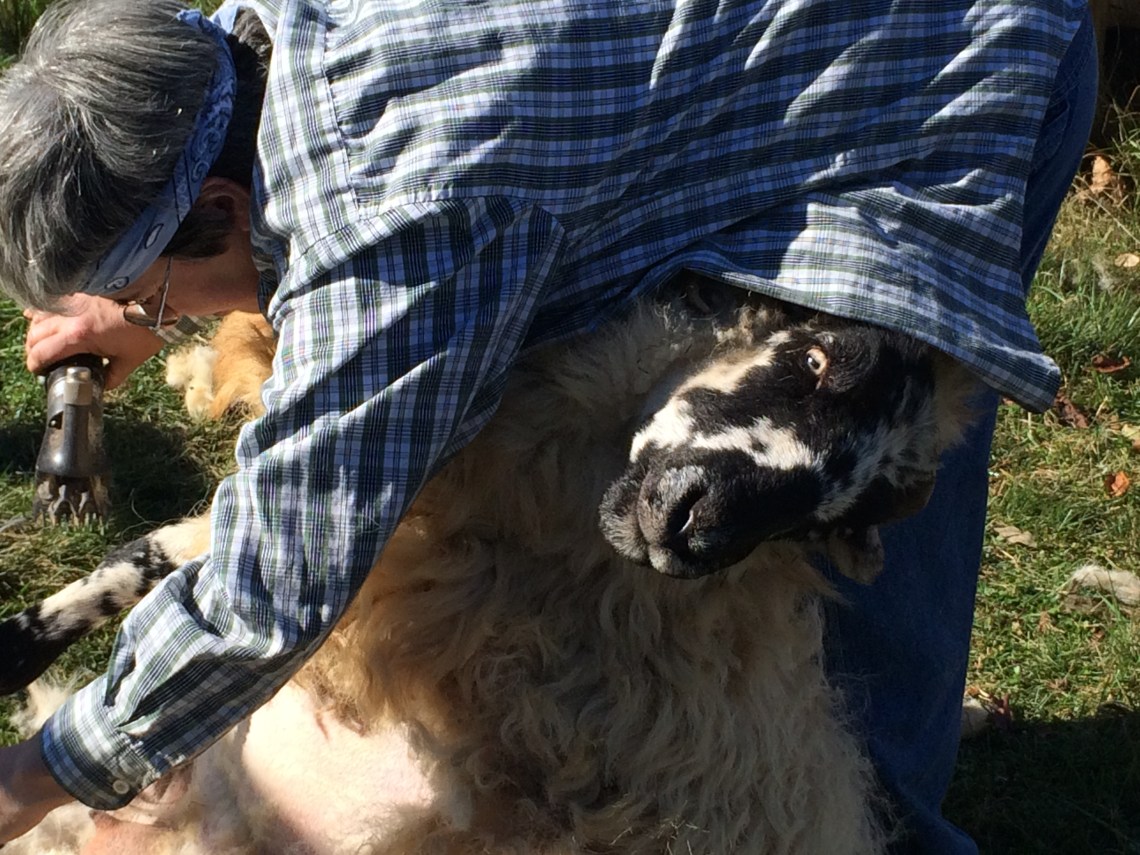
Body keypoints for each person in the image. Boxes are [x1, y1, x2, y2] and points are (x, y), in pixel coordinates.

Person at [0, 0, 1095, 850]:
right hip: (737, 63)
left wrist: (37, 778)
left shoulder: (399, 225)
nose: (163, 320)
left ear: (220, 210)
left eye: (153, 297)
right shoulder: (230, 46)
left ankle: (878, 819)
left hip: (955, 68)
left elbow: (273, 586)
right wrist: (131, 303)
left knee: (858, 479)